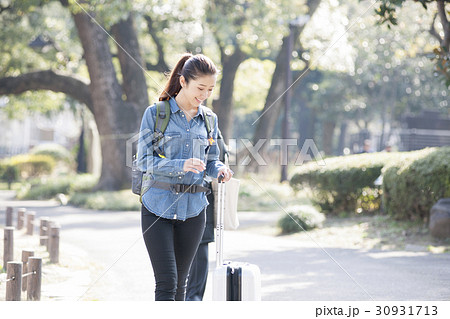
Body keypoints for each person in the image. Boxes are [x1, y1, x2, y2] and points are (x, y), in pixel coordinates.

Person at [137, 53, 233, 301]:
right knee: (167, 283)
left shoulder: (210, 119)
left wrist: (220, 169)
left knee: (182, 285)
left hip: (194, 211)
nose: (204, 95)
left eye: (210, 89)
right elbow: (143, 160)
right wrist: (181, 165)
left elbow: (211, 161)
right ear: (183, 81)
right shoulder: (156, 114)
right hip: (157, 205)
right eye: (200, 88)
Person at [186, 129, 228, 301]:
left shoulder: (163, 115)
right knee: (200, 244)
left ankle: (188, 299)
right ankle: (193, 298)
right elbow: (221, 154)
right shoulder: (207, 122)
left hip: (181, 195)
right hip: (201, 193)